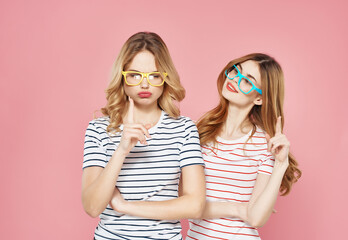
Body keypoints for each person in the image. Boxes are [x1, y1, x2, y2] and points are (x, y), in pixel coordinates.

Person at [81, 32, 206, 240]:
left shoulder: (184, 129)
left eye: (154, 75)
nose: (145, 84)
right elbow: (92, 207)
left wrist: (125, 206)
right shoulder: (98, 129)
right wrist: (121, 150)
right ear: (122, 77)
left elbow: (195, 205)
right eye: (135, 75)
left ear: (165, 78)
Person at [186, 53, 301, 239]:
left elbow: (255, 218)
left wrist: (280, 165)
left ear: (259, 99)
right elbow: (183, 204)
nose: (235, 79)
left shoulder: (264, 145)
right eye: (235, 71)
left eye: (247, 80)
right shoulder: (198, 131)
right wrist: (238, 209)